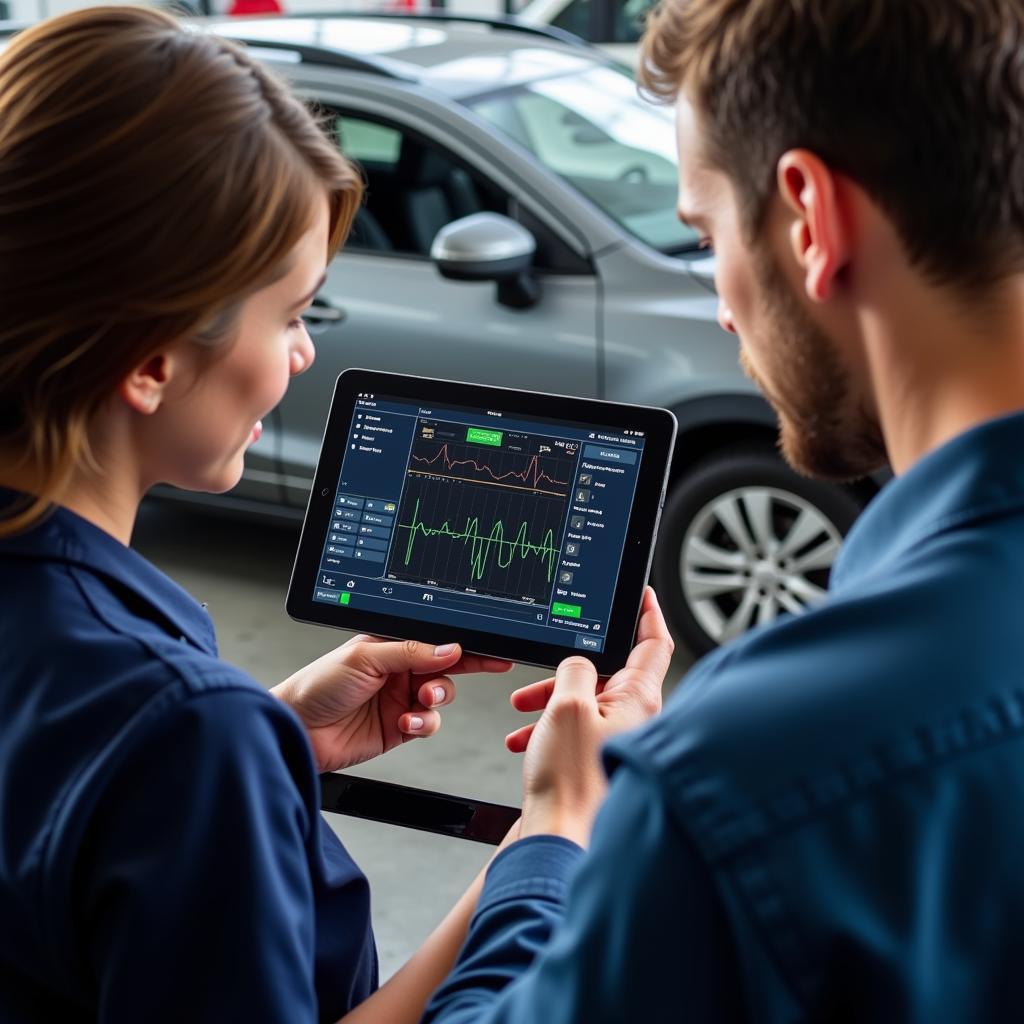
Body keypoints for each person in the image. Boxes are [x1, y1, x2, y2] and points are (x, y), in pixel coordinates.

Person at [421, 0, 1024, 1020]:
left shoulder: (746, 776)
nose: (720, 303)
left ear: (807, 219)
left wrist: (562, 829)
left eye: (705, 238)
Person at [0, 7, 605, 1022]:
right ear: (150, 361)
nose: (303, 354)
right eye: (290, 314)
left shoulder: (168, 725)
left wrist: (265, 752)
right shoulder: (179, 730)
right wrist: (549, 836)